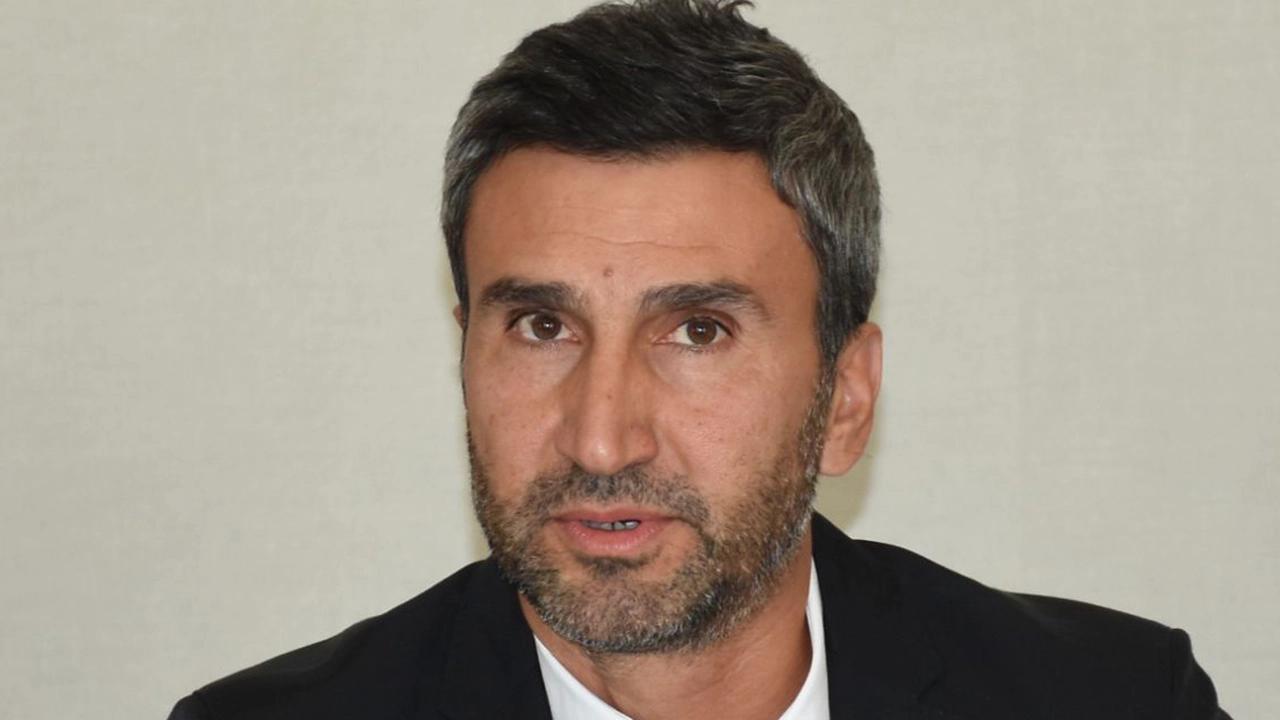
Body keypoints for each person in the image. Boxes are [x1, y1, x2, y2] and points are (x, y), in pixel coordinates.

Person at [169, 1, 1230, 718]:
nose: (601, 439)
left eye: (697, 332)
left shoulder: (1118, 701)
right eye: (541, 327)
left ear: (844, 398)